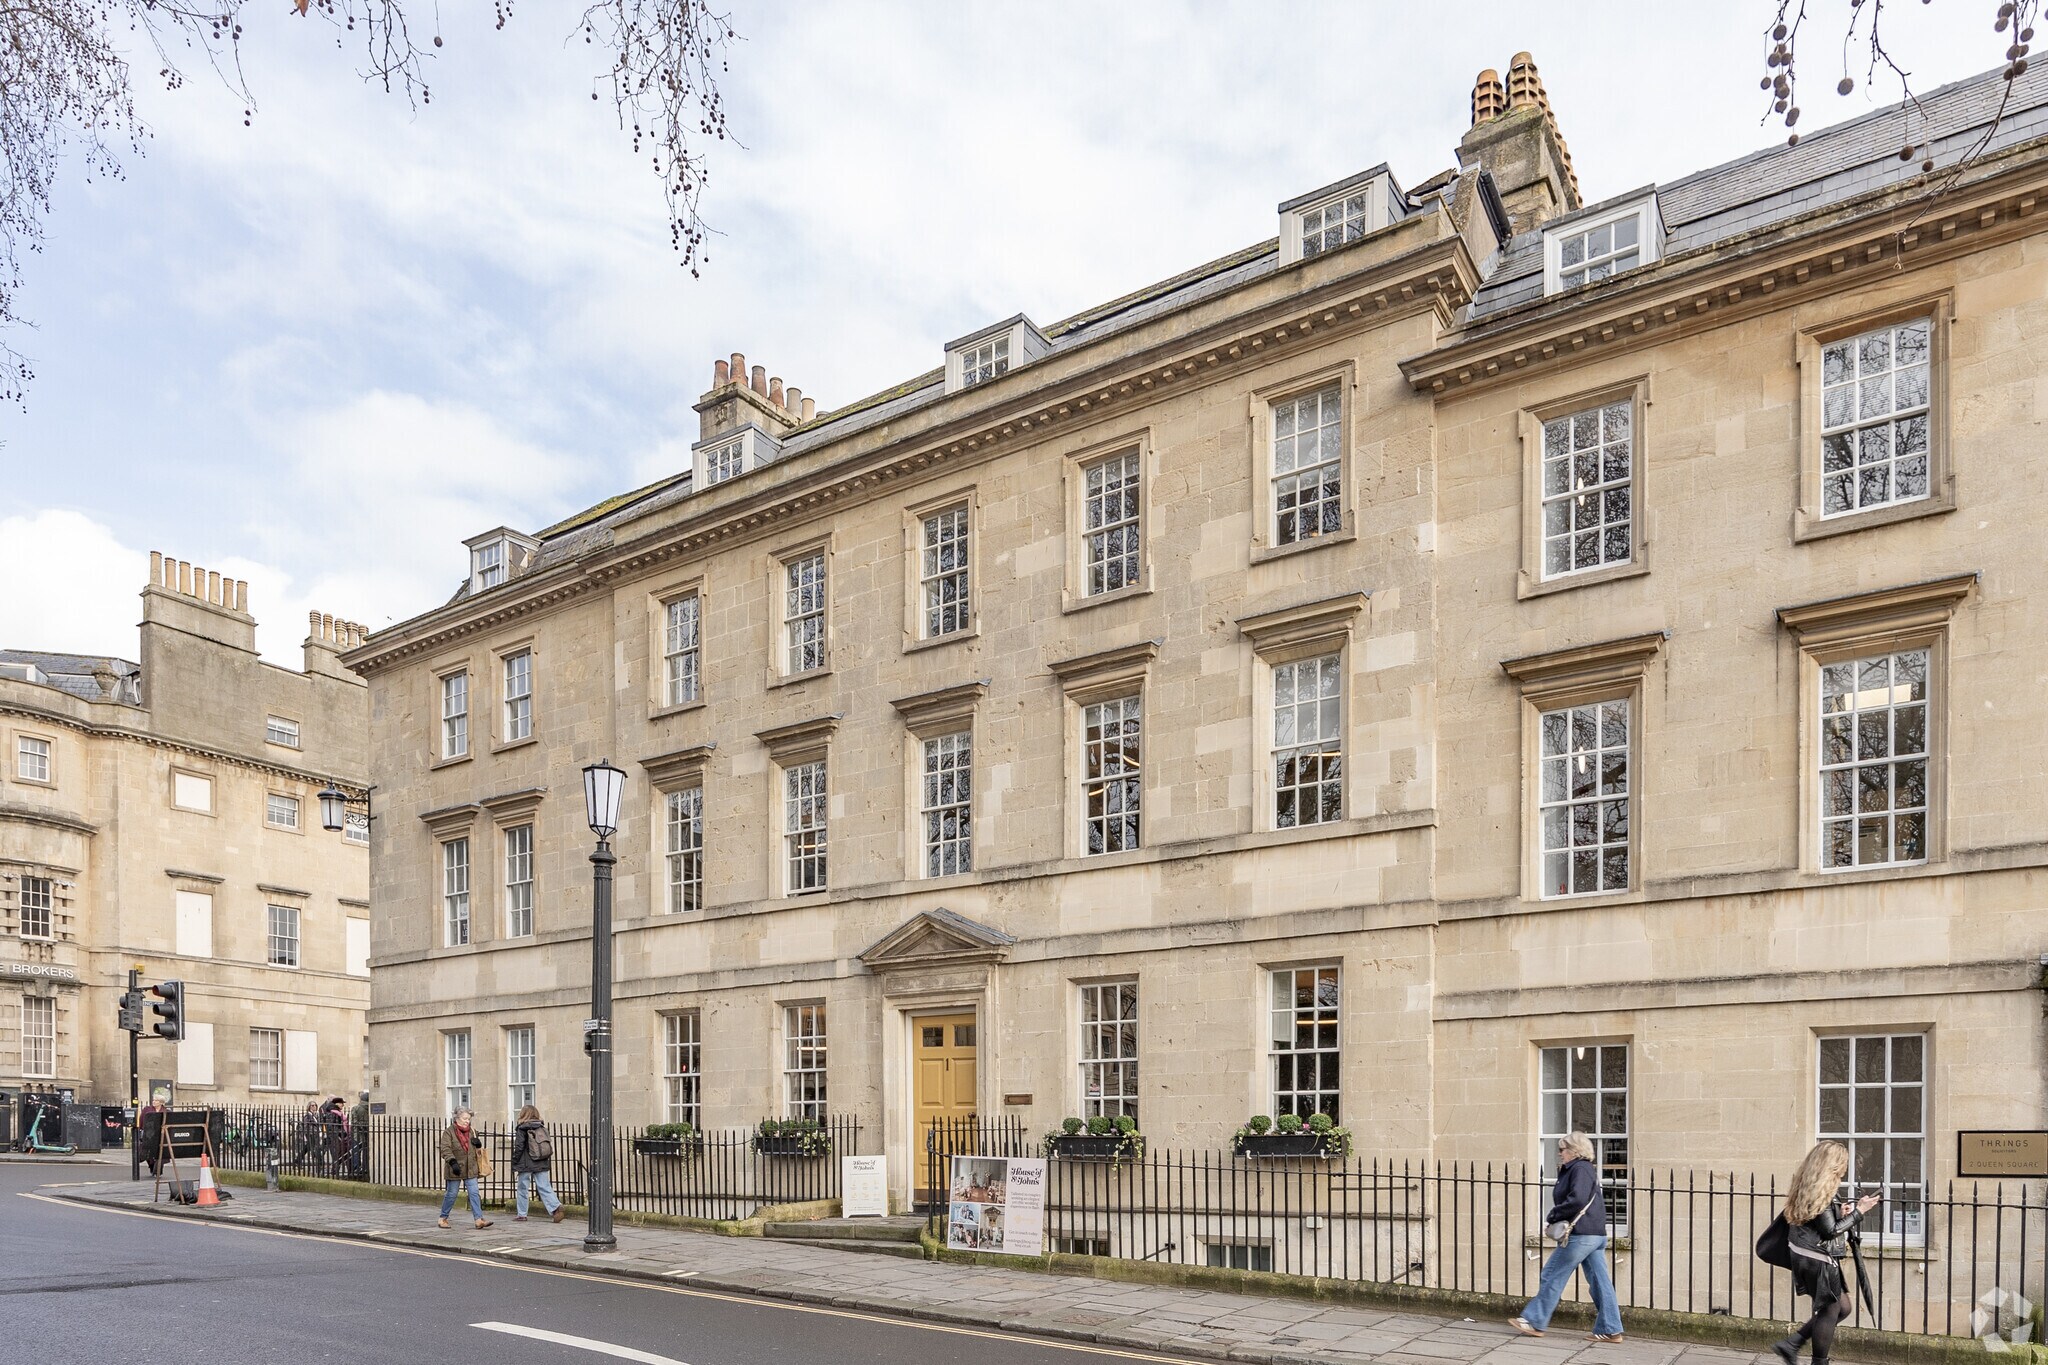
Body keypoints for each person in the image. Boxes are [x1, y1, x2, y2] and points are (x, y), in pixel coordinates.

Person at [1771, 1142, 1882, 1365]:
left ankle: (1792, 1343)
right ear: (1833, 1165)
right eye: (1843, 1164)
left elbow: (1817, 1221)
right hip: (1819, 1259)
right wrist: (1860, 1211)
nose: (1845, 1168)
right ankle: (1816, 1361)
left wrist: (1838, 1212)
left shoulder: (1808, 1184)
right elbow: (1830, 1232)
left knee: (1843, 1307)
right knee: (1831, 1309)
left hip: (1806, 1255)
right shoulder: (1823, 1189)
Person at [1511, 1131, 1624, 1342]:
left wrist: (1554, 1214)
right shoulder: (1584, 1169)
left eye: (1562, 1149)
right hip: (1596, 1234)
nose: (1560, 1154)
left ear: (1574, 1150)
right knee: (1600, 1282)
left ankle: (1534, 1321)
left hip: (1580, 1235)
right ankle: (1610, 1329)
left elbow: (1578, 1199)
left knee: (1552, 1274)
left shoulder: (1579, 1168)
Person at [437, 1108, 492, 1229]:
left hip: (470, 1168)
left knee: (474, 1193)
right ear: (457, 1118)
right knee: (451, 1194)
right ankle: (443, 1218)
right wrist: (452, 1162)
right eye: (465, 1118)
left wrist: (478, 1144)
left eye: (469, 1119)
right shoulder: (449, 1132)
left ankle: (479, 1219)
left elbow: (476, 1150)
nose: (467, 1121)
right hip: (455, 1168)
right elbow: (445, 1148)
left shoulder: (472, 1131)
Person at [511, 1104, 565, 1223]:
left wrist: (515, 1161)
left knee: (522, 1188)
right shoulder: (541, 1127)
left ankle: (522, 1214)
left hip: (526, 1163)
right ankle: (555, 1207)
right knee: (544, 1186)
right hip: (541, 1161)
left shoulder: (522, 1128)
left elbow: (519, 1147)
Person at [348, 1091, 371, 1178]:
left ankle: (356, 1168)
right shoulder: (370, 1108)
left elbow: (354, 1121)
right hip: (367, 1133)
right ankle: (365, 1167)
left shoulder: (356, 1108)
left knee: (356, 1151)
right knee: (366, 1151)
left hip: (357, 1134)